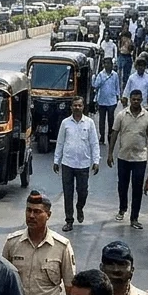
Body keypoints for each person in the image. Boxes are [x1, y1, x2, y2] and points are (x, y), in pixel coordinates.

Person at [109, 88, 148, 228]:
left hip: (140, 158)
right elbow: (114, 133)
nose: (136, 102)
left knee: (137, 188)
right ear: (130, 100)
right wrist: (110, 153)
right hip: (123, 156)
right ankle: (122, 208)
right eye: (133, 99)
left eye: (138, 99)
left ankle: (134, 218)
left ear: (141, 100)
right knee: (122, 186)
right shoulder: (121, 115)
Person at [52, 96, 100, 231]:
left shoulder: (89, 123)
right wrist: (56, 160)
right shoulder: (65, 123)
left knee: (82, 191)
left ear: (83, 107)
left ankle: (79, 207)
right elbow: (60, 142)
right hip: (67, 163)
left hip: (83, 164)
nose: (77, 108)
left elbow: (94, 143)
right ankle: (69, 220)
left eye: (79, 105)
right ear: (71, 107)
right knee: (68, 193)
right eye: (75, 105)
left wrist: (96, 161)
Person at [93, 56, 121, 145]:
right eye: (105, 63)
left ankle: (110, 135)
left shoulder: (115, 75)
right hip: (102, 100)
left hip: (112, 101)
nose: (107, 65)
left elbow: (117, 87)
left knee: (111, 119)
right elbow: (96, 85)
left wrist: (118, 97)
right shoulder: (101, 75)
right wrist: (97, 78)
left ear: (112, 65)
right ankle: (102, 136)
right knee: (102, 120)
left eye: (109, 63)